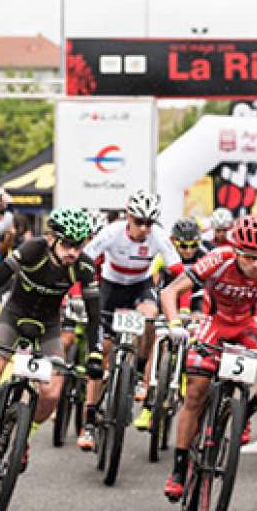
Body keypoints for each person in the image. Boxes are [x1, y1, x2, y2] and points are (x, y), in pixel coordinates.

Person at [158, 214, 257, 501]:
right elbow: (170, 291)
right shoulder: (218, 258)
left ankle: (246, 411)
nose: (256, 264)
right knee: (195, 392)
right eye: (249, 257)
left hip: (248, 325)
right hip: (214, 323)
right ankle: (179, 469)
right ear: (237, 250)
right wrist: (175, 324)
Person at [0, 207, 102, 480]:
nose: (72, 252)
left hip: (48, 326)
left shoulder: (83, 267)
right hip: (13, 316)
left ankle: (23, 439)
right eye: (68, 244)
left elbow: (94, 316)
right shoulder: (33, 250)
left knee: (51, 393)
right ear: (53, 239)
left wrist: (95, 353)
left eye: (78, 245)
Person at [76, 190, 180, 450]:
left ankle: (137, 375)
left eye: (149, 223)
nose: (143, 228)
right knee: (101, 357)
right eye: (138, 222)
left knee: (149, 318)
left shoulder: (157, 236)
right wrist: (82, 290)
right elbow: (85, 259)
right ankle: (88, 423)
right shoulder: (112, 232)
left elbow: (178, 271)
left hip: (139, 287)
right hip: (110, 289)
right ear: (128, 217)